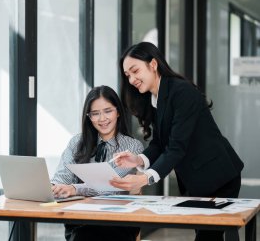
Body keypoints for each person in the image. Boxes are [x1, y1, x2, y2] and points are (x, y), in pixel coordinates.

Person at [110, 42, 244, 241]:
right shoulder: (155, 97)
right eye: (127, 75)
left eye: (135, 70)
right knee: (205, 234)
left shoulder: (181, 91)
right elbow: (159, 143)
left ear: (153, 64)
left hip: (219, 176)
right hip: (195, 178)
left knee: (208, 236)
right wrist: (137, 160)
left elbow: (176, 146)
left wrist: (145, 178)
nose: (131, 79)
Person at [51, 85, 144, 241]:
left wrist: (74, 189)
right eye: (95, 114)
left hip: (116, 222)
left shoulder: (132, 146)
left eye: (108, 111)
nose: (102, 119)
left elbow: (110, 186)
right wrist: (55, 187)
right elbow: (61, 177)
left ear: (118, 112)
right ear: (89, 117)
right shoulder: (77, 142)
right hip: (80, 220)